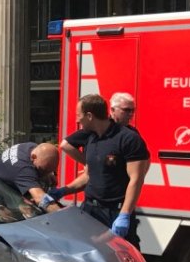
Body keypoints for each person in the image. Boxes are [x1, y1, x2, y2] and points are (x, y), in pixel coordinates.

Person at [43, 93, 149, 243]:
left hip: (115, 212)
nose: (76, 119)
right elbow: (88, 175)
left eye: (78, 115)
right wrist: (62, 191)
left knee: (122, 260)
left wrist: (124, 215)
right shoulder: (91, 138)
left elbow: (136, 179)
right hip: (90, 210)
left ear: (89, 116)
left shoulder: (128, 138)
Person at [62, 91, 136, 164]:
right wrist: (90, 164)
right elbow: (65, 145)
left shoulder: (132, 133)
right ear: (112, 110)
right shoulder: (95, 129)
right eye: (127, 110)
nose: (131, 114)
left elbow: (143, 159)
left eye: (133, 110)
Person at [0, 141, 62, 211]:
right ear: (33, 157)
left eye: (51, 170)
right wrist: (60, 214)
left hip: (7, 181)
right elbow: (40, 198)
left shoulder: (32, 147)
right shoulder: (23, 169)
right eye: (43, 170)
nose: (45, 174)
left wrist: (48, 173)